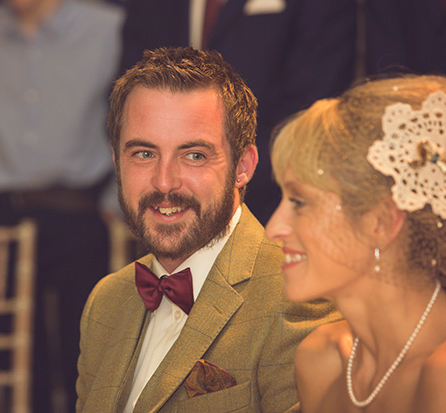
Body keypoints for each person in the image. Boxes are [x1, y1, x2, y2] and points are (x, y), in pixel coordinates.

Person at [76, 47, 338, 412]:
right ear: (117, 161)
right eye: (144, 154)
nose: (164, 182)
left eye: (194, 155)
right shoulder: (105, 302)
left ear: (243, 166)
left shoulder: (298, 296)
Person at [0, 0, 123, 410]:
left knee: (87, 351)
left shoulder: (106, 26)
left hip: (78, 210)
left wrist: (116, 200)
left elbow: (128, 120)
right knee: (18, 361)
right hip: (0, 216)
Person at [265, 75, 446, 412]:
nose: (272, 229)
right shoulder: (321, 360)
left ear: (380, 222)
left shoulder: (441, 375)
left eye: (299, 202)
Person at [119, 0, 356, 223]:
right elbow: (126, 94)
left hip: (270, 197)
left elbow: (314, 104)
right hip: (163, 208)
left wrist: (220, 180)